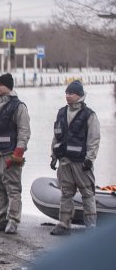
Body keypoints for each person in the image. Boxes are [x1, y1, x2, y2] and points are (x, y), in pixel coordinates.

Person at [0, 73, 31, 235]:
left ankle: (13, 221)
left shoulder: (19, 106)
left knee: (13, 189)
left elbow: (24, 131)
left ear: (9, 87)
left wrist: (18, 153)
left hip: (11, 153)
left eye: (0, 85)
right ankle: (0, 219)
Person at [49, 80, 101, 235]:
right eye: (66, 93)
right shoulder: (61, 112)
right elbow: (56, 137)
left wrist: (90, 159)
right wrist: (53, 156)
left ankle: (91, 226)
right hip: (64, 161)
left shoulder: (89, 115)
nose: (67, 96)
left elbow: (94, 139)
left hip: (81, 162)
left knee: (87, 193)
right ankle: (64, 224)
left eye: (70, 93)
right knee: (66, 193)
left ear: (79, 95)